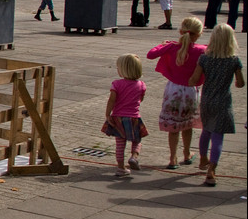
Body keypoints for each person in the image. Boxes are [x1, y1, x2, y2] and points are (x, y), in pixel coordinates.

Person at [188, 24, 245, 186]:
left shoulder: (204, 58)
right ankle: (212, 170)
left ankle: (202, 158)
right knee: (218, 136)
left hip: (207, 99)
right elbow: (240, 84)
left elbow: (193, 79)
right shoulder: (234, 60)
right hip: (223, 101)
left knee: (206, 131)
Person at [147, 17, 205, 169]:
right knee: (187, 124)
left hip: (173, 90)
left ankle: (172, 158)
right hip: (191, 91)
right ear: (198, 34)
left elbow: (151, 54)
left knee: (173, 126)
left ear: (180, 31)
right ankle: (186, 153)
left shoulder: (173, 47)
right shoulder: (201, 50)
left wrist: (164, 45)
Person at [101, 54, 148, 178]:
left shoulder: (116, 84)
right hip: (134, 117)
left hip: (118, 118)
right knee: (137, 139)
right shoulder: (141, 85)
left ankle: (121, 168)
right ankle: (134, 156)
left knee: (120, 145)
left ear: (122, 70)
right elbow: (140, 99)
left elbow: (111, 100)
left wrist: (108, 114)